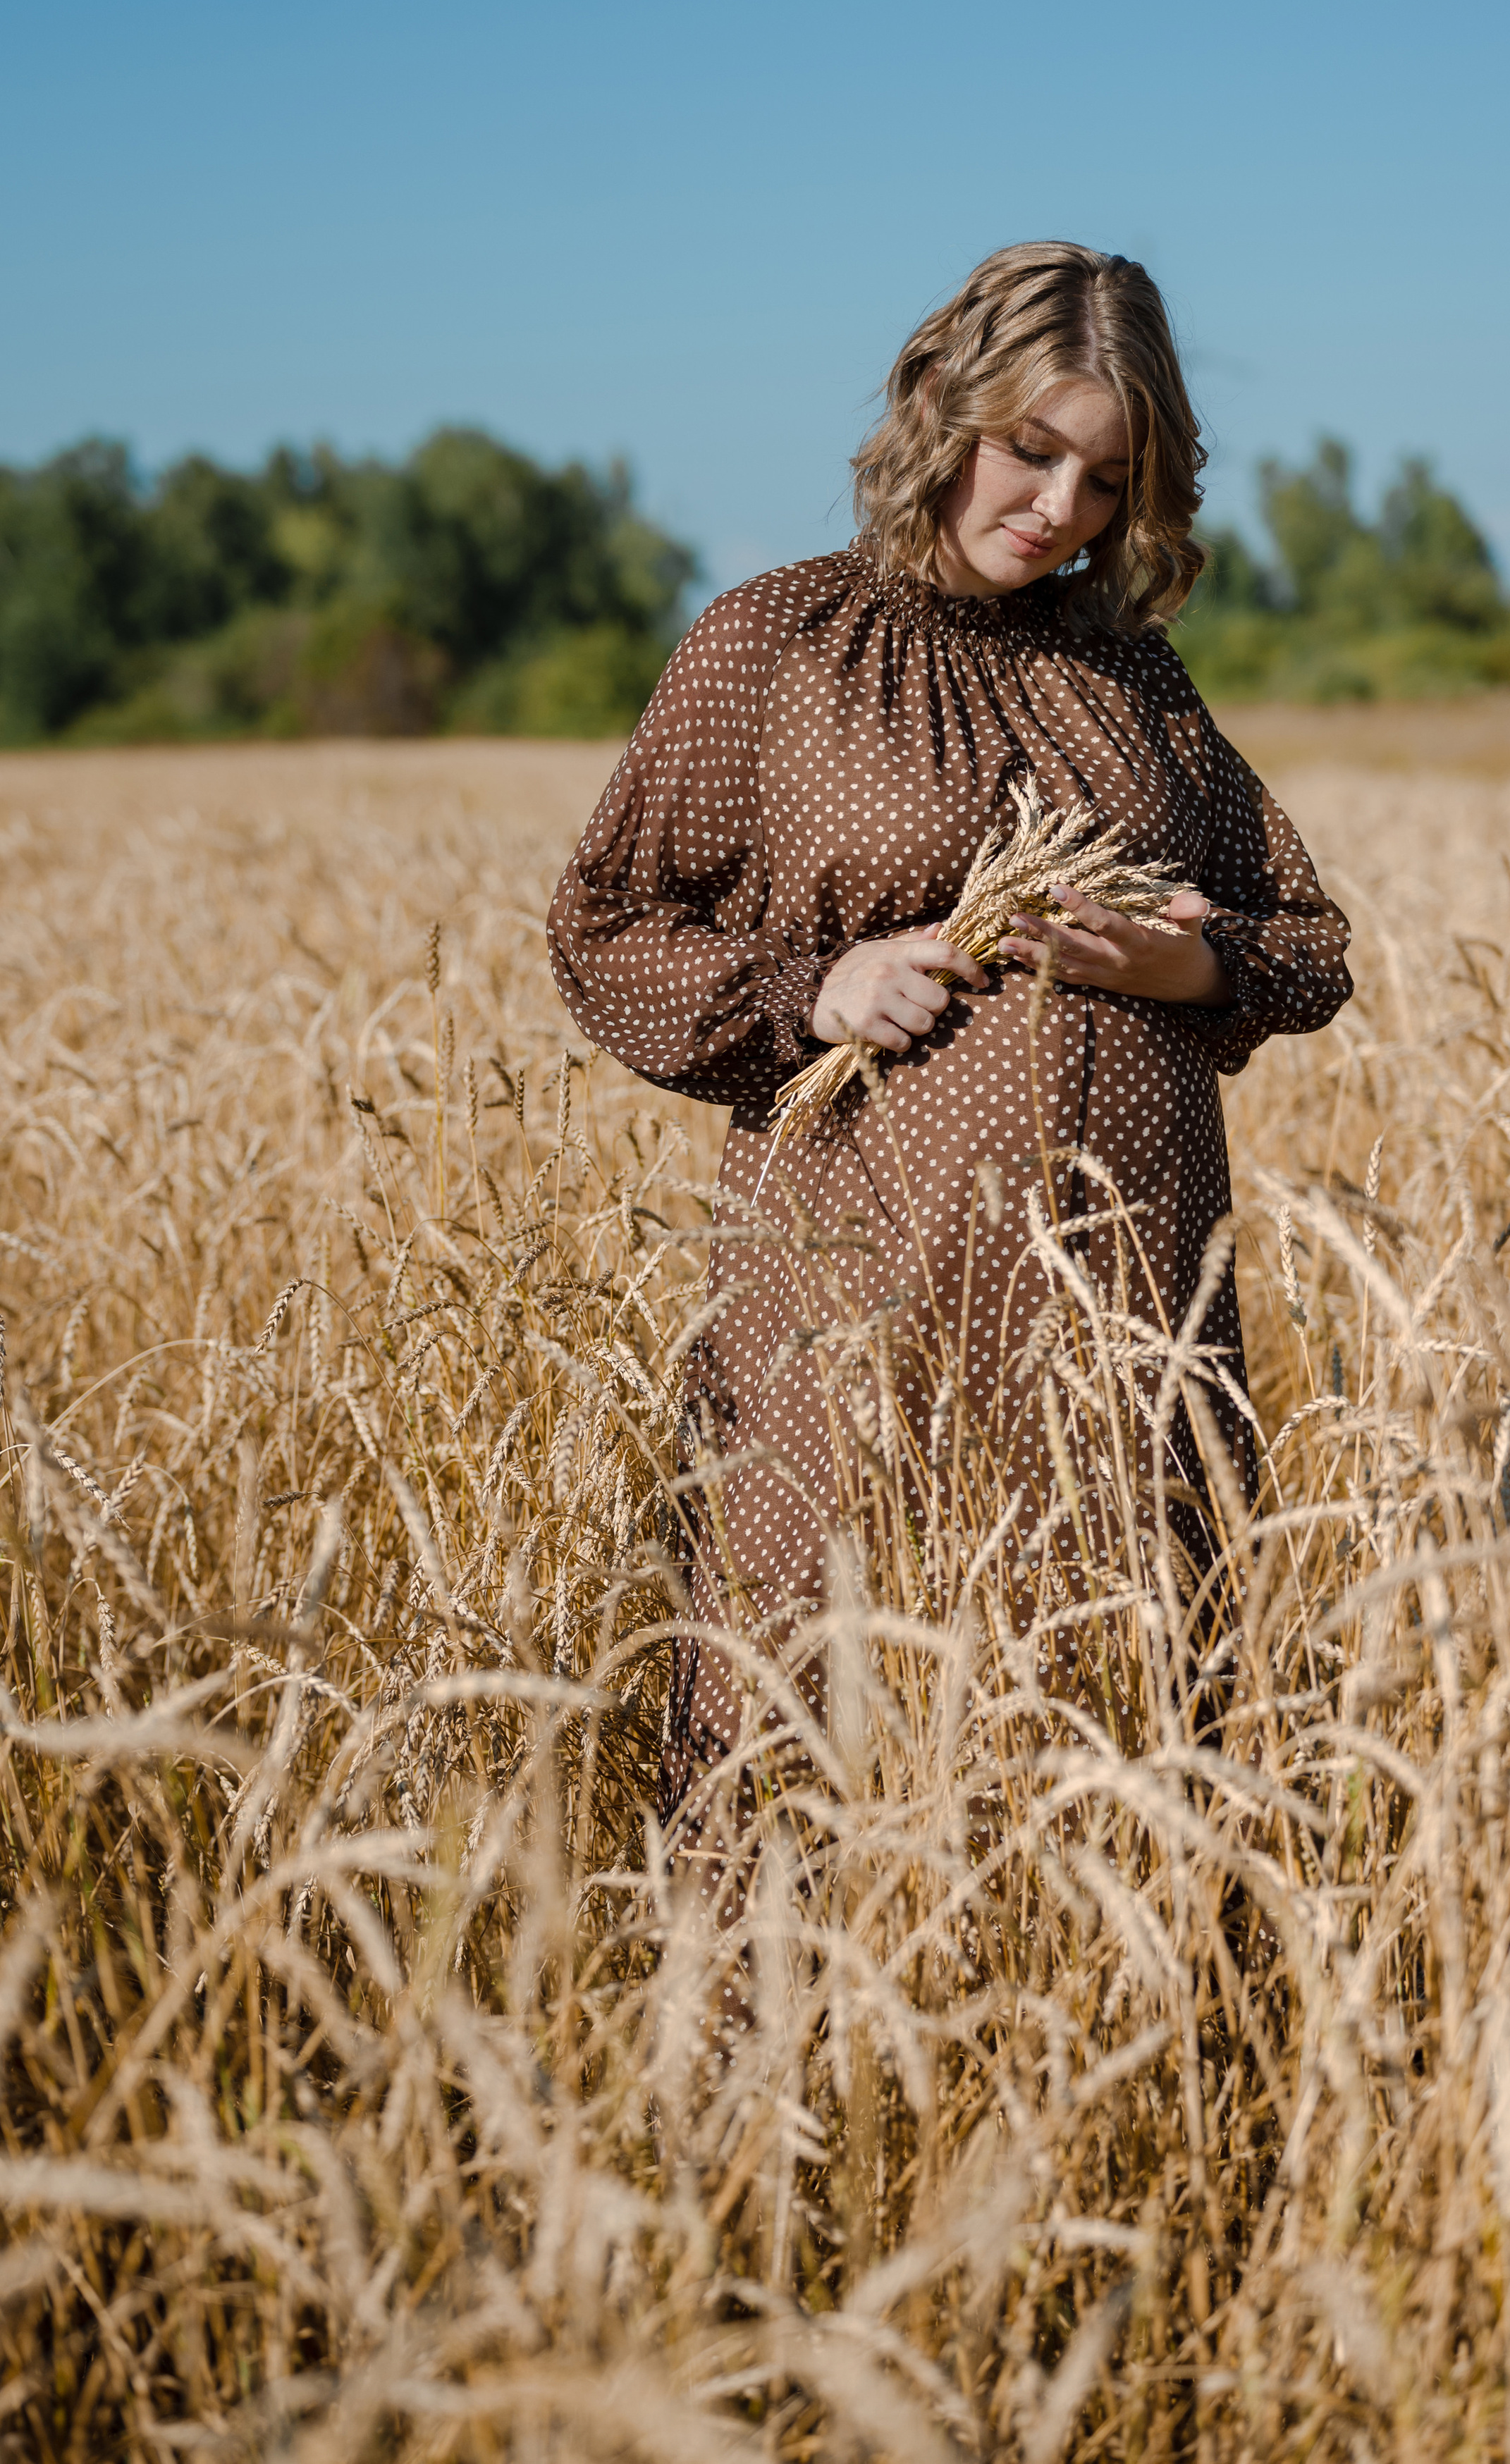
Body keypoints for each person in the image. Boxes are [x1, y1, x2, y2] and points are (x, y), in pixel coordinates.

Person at [546, 241, 1352, 1868]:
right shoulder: (773, 641)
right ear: (946, 407)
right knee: (809, 1691)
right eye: (1031, 450)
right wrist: (816, 984)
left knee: (1127, 1711)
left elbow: (1304, 941)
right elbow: (606, 925)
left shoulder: (1125, 672)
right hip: (858, 1293)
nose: (1059, 506)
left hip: (1127, 1330)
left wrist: (1177, 957)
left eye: (1106, 478)